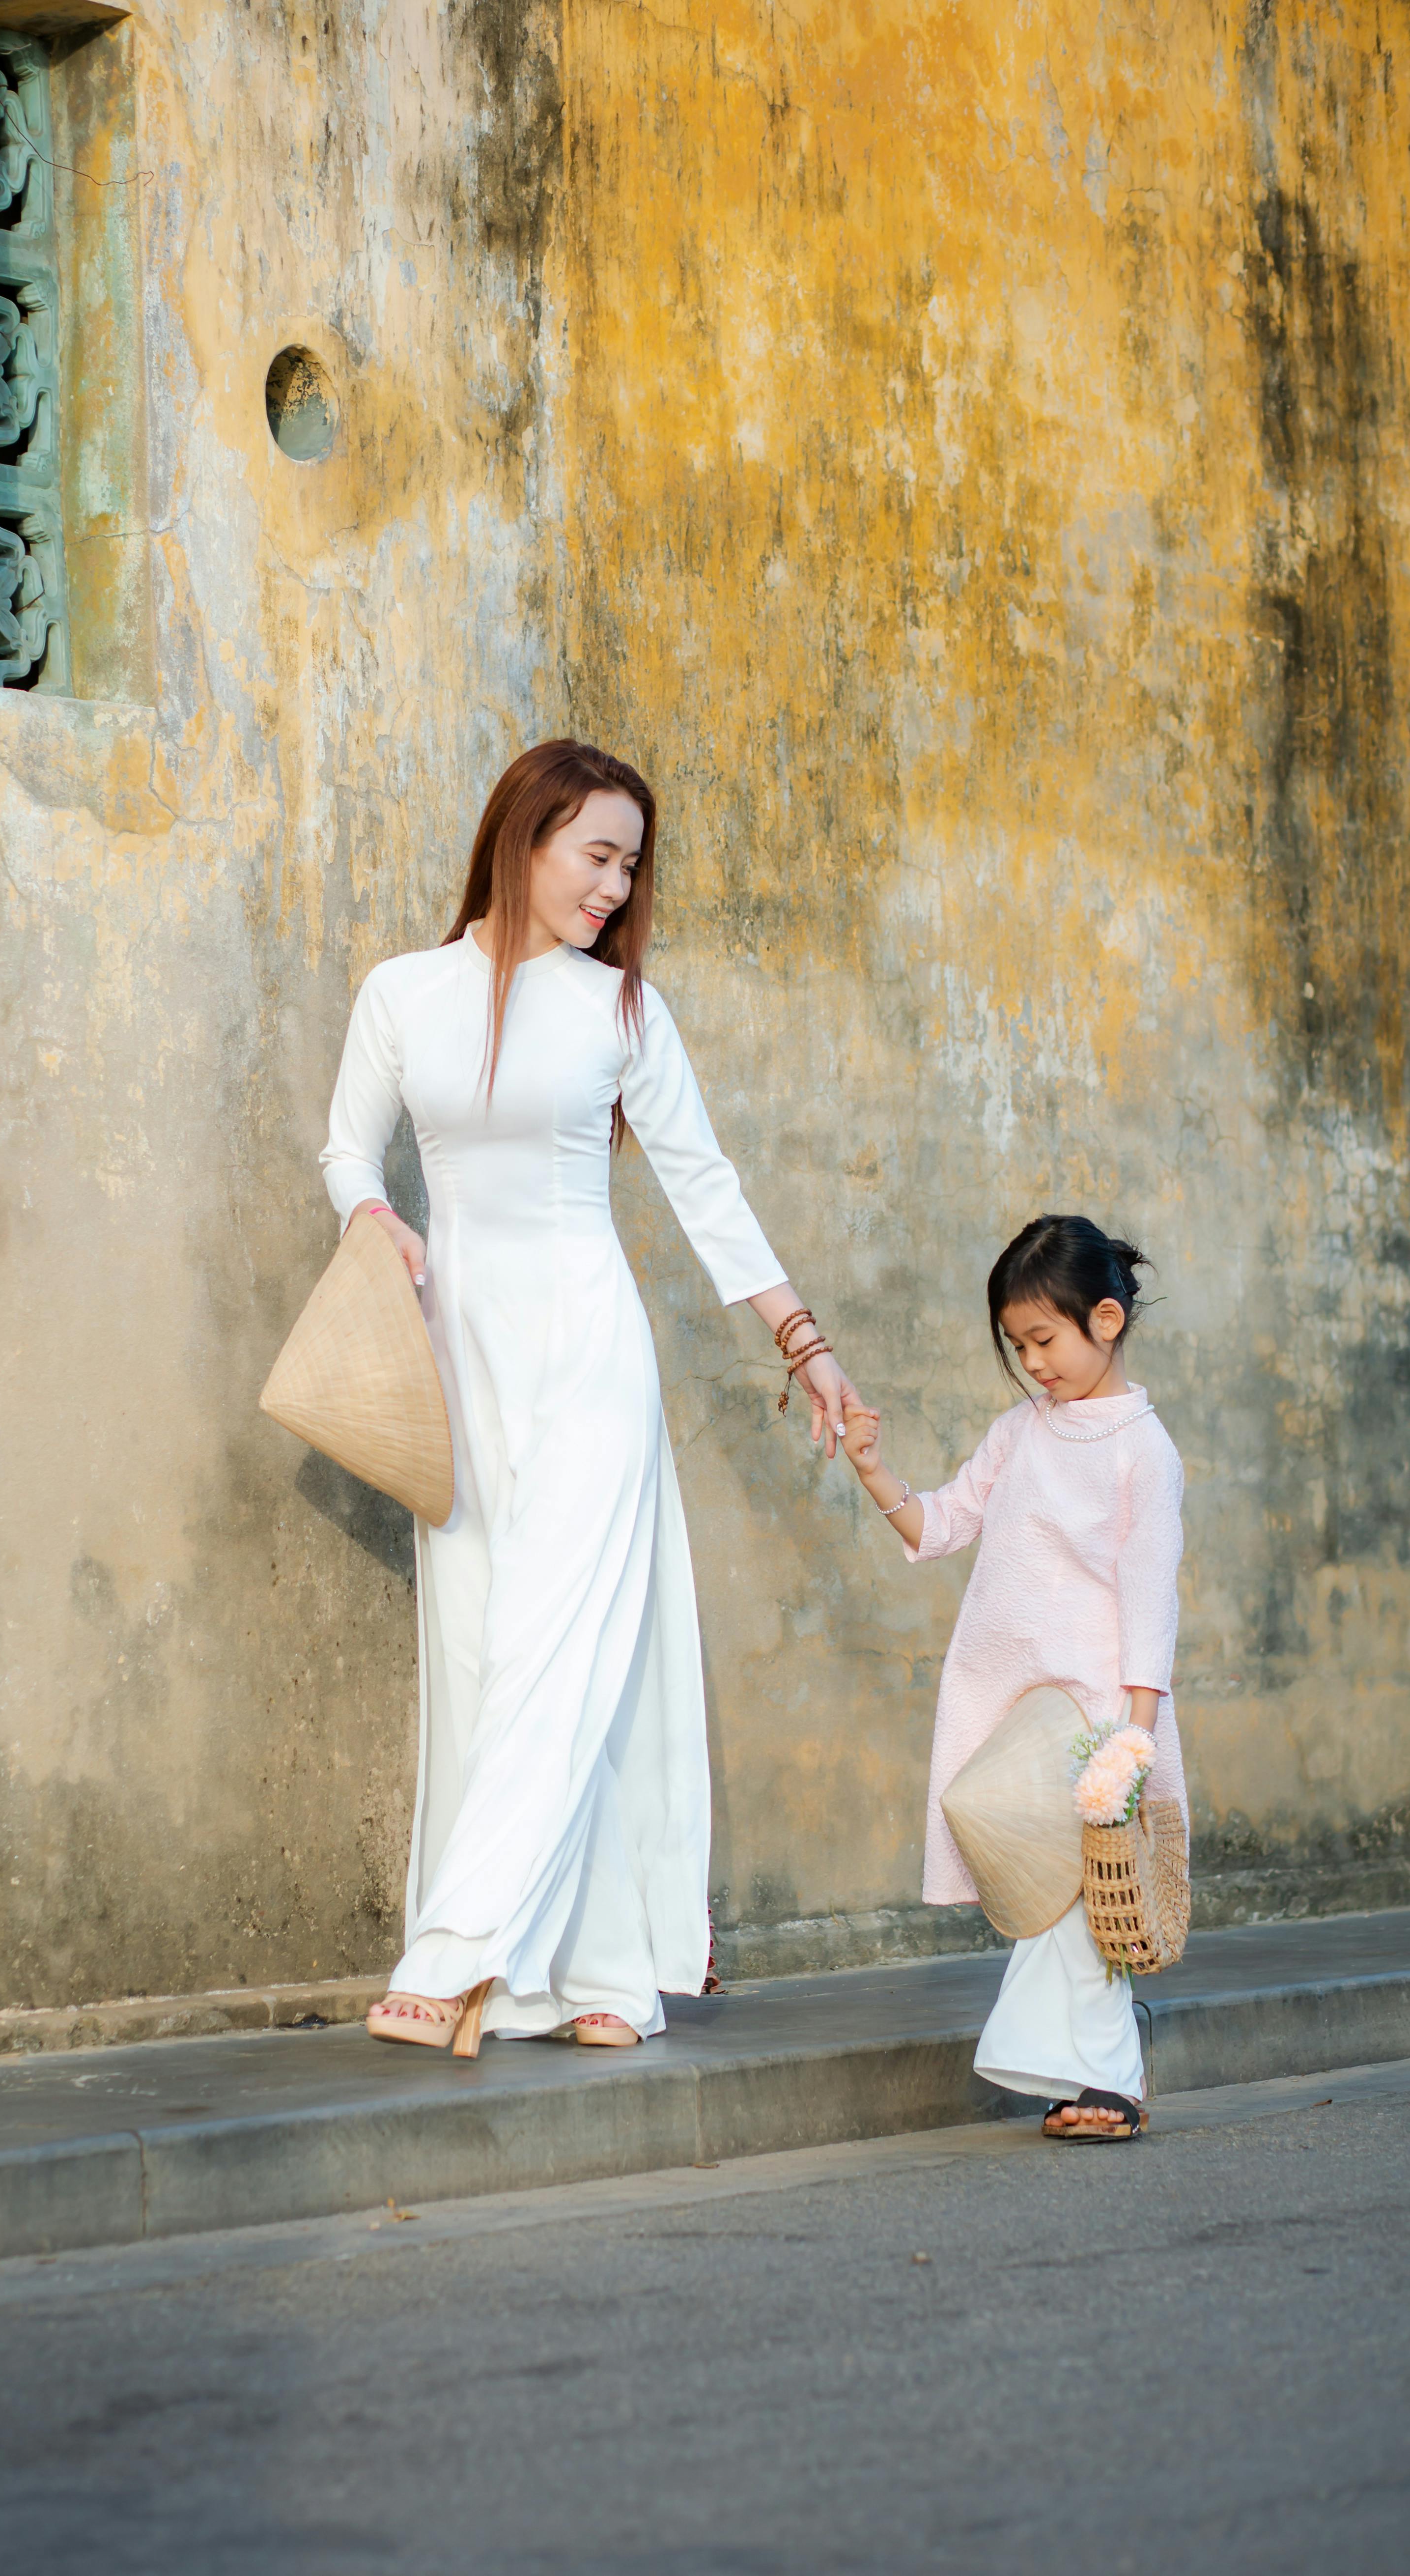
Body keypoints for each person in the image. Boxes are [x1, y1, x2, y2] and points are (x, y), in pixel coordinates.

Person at [319, 739, 853, 2055]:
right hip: (454, 1359)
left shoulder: (622, 1014)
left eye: (629, 863)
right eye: (595, 854)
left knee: (563, 1649)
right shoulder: (402, 991)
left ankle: (452, 1959)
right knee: (486, 1654)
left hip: (584, 1354)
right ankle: (588, 1973)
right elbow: (346, 1139)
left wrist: (805, 1345)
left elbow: (702, 1183)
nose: (615, 886)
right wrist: (371, 1212)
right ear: (522, 836)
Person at [841, 1215, 1187, 2141]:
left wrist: (1133, 1738)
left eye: (1044, 1339)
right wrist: (874, 1471)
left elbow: (1150, 1605)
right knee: (1046, 1897)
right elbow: (940, 1526)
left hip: (1097, 1718)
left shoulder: (1141, 1453)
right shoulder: (1017, 1434)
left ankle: (1106, 2079)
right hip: (1012, 1714)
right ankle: (1081, 2072)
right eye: (1018, 1345)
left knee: (1086, 1900)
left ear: (1104, 1320)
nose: (1032, 1362)